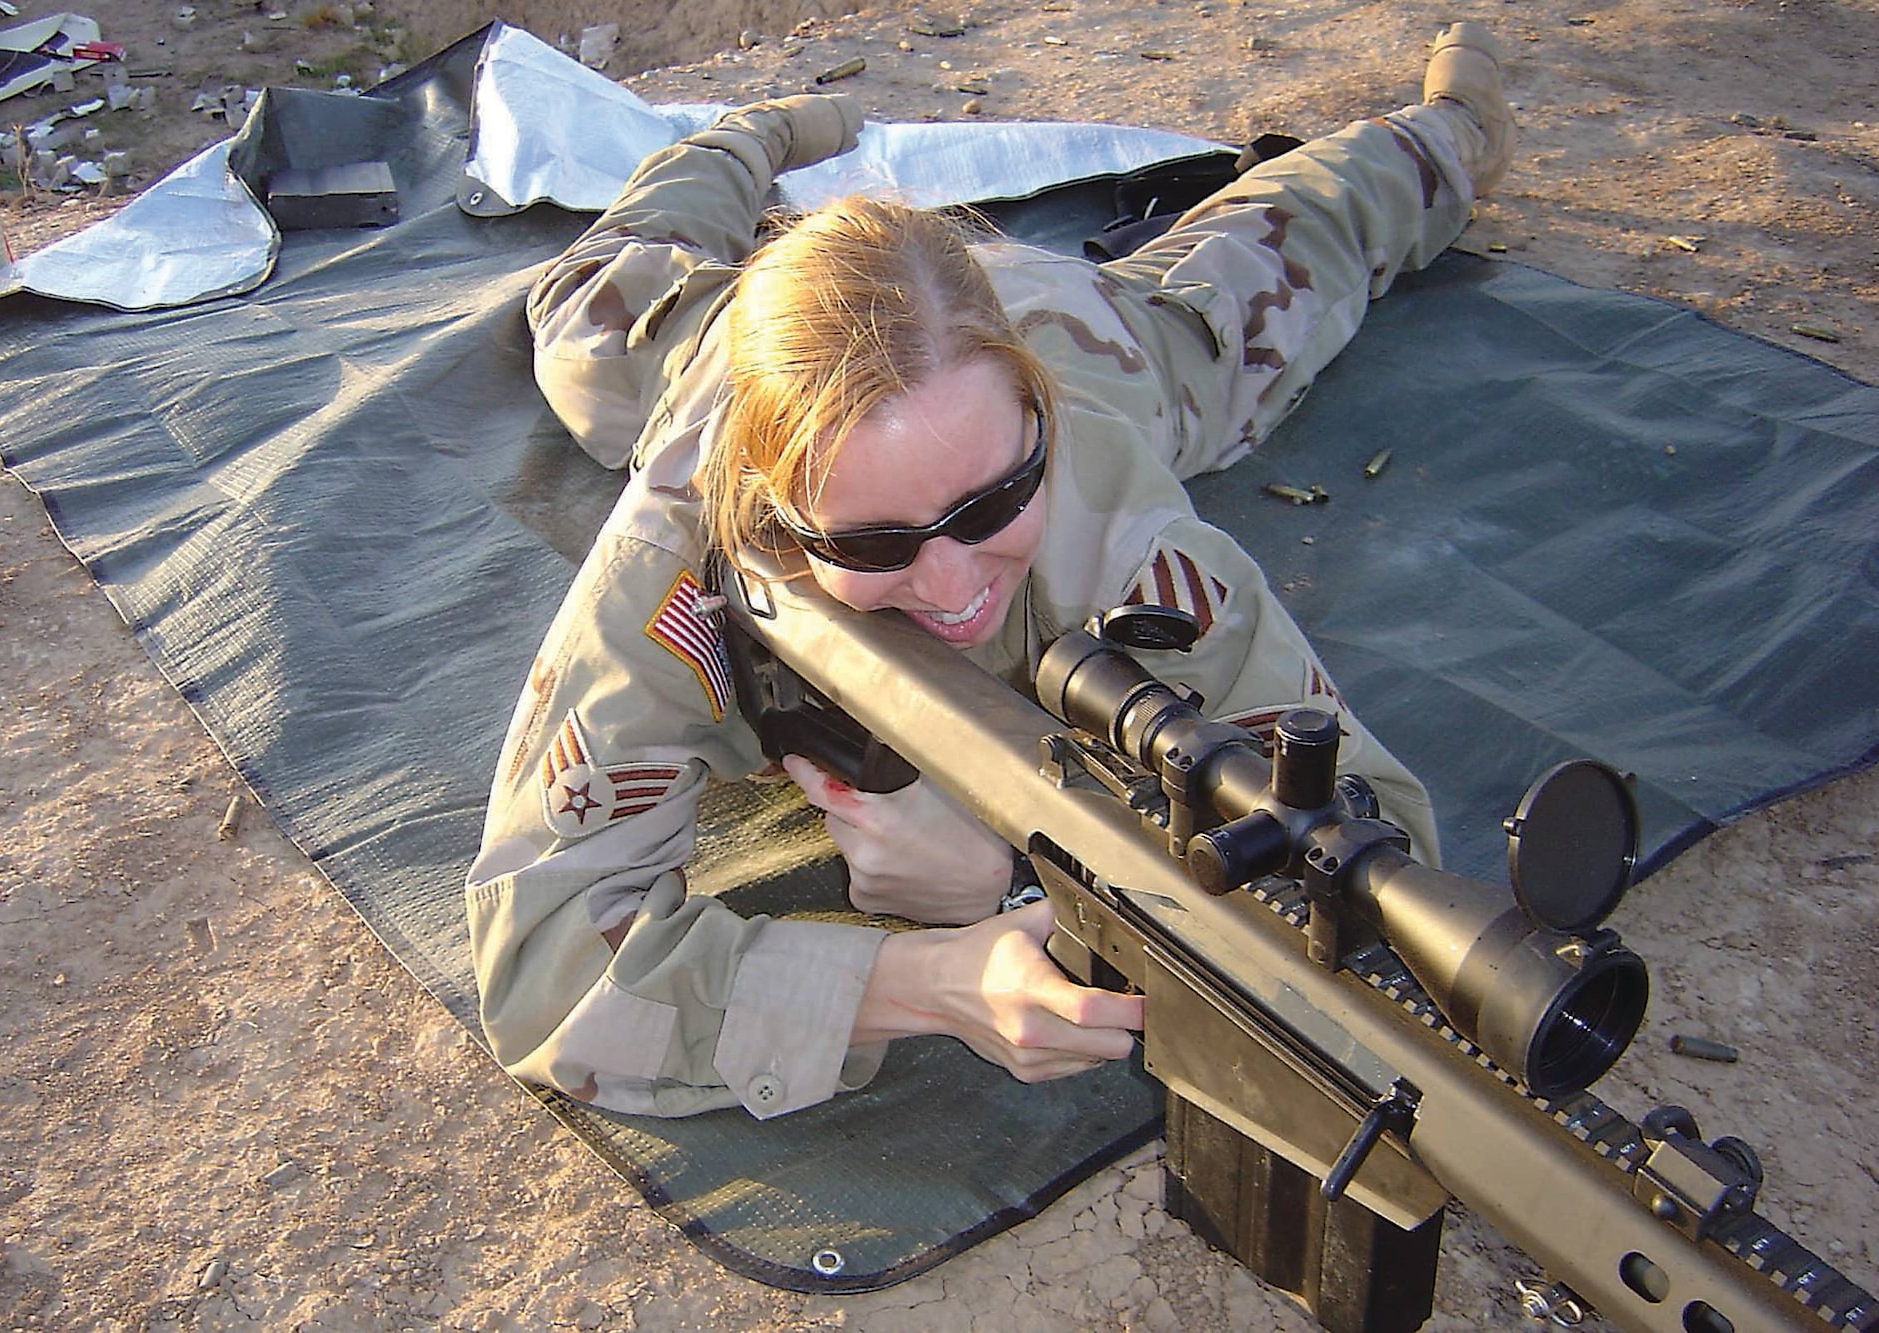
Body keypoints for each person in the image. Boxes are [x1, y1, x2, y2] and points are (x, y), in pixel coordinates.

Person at [467, 25, 1515, 1119]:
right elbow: (542, 974)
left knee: (1269, 271)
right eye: (871, 541)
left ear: (1030, 423)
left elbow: (1371, 858)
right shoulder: (679, 550)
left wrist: (1016, 875)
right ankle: (750, 139)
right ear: (772, 512)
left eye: (992, 502)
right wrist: (917, 983)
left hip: (1074, 327)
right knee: (582, 314)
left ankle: (1448, 129)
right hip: (726, 343)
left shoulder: (1106, 518)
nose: (952, 580)